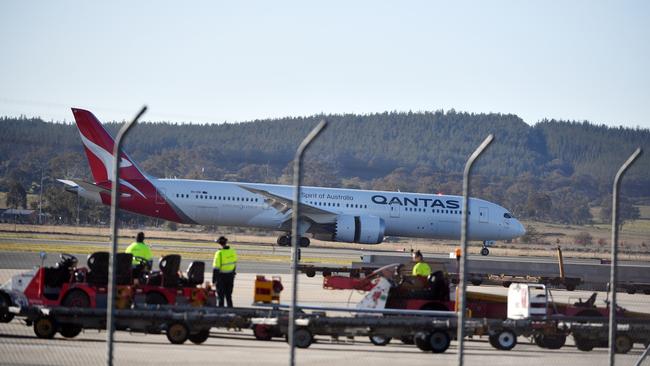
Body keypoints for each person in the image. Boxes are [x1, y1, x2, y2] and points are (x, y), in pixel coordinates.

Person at [212, 236, 238, 307]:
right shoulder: (232, 251)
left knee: (221, 297)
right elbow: (234, 264)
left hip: (221, 277)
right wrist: (232, 273)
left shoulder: (219, 253)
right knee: (229, 296)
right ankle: (230, 310)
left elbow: (216, 268)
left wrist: (214, 280)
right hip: (230, 276)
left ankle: (221, 312)